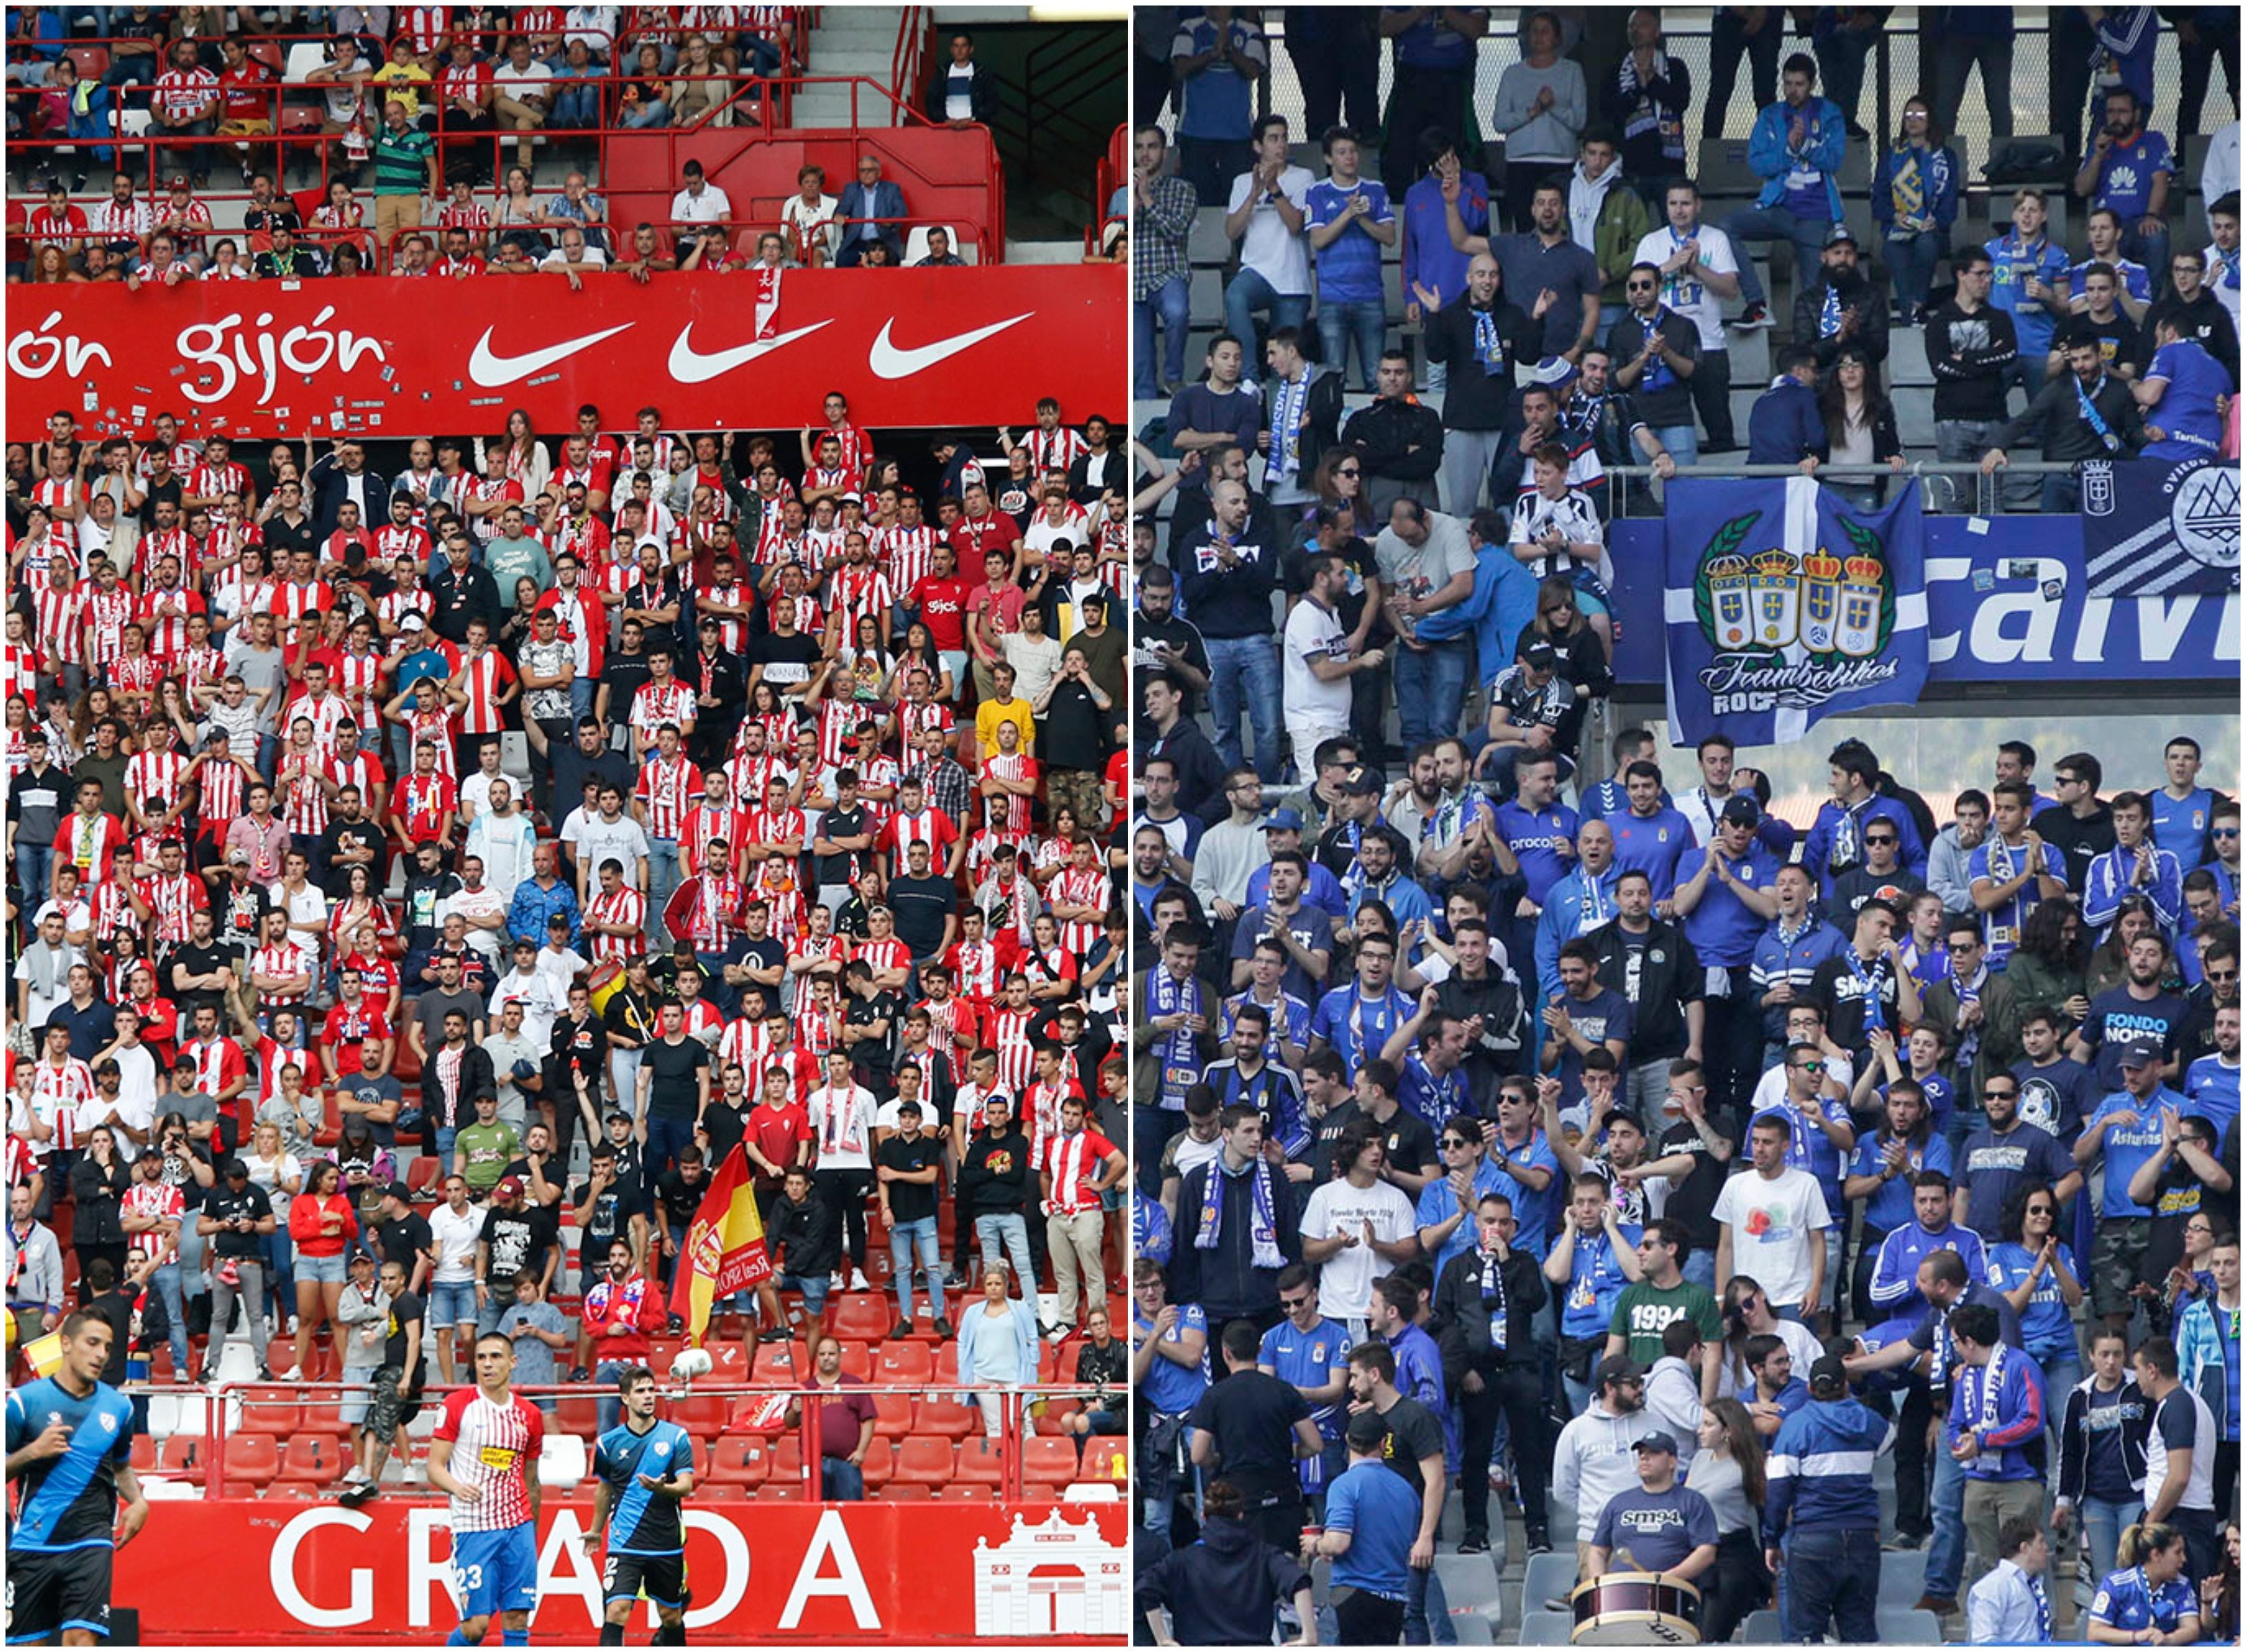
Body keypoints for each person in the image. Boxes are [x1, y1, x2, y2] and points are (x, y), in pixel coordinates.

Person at [3, 1313, 149, 1648]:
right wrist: (32, 1452)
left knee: (82, 1637)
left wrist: (139, 1501)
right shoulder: (25, 1403)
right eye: (93, 1343)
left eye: (108, 1347)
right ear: (66, 1344)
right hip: (32, 1543)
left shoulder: (120, 1408)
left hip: (91, 1540)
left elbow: (121, 1466)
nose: (101, 1354)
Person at [1433, 1190, 1551, 1554]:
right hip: (1478, 1373)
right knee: (1477, 1453)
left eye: (1503, 1223)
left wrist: (1506, 1266)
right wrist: (1463, 1369)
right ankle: (1475, 1530)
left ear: (1513, 1228)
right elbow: (1444, 1321)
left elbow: (1535, 1301)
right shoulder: (1457, 1266)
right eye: (1489, 1222)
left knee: (1529, 1452)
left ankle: (1537, 1529)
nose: (1496, 1229)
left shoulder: (1525, 1263)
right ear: (1477, 1223)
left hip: (1519, 1368)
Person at [427, 1332, 544, 1649]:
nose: (487, 1364)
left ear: (512, 1362)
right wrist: (457, 1487)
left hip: (517, 1526)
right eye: (481, 1358)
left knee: (518, 1618)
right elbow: (434, 1466)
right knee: (476, 1626)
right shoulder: (458, 1405)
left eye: (495, 1357)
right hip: (474, 1528)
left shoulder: (530, 1415)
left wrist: (533, 1533)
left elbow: (531, 1479)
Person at [1764, 1353, 1891, 1644]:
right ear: (1846, 1385)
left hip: (1813, 1538)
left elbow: (1778, 1490)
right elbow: (1888, 1440)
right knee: (1860, 1635)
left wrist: (1772, 1539)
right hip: (1863, 1538)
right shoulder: (1869, 1420)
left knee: (1807, 1637)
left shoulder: (1795, 1425)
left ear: (1809, 1389)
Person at [1721, 55, 1848, 329]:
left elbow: (1835, 161)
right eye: (1788, 83)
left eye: (1799, 84)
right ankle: (1756, 304)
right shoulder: (1770, 116)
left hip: (1817, 214)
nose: (1793, 90)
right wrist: (1789, 148)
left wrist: (1806, 146)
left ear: (1812, 84)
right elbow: (1757, 164)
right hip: (1778, 207)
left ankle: (1807, 357)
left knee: (1812, 294)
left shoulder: (1830, 113)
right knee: (1726, 228)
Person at [1946, 1301, 2049, 1601]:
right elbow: (1955, 1423)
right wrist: (1960, 1444)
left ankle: (2036, 1629)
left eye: (1955, 1341)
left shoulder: (2021, 1365)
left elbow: (2031, 1420)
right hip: (1979, 1479)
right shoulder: (1965, 1375)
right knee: (1993, 1567)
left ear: (1969, 1342)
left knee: (2025, 1564)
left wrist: (1985, 1440)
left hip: (2020, 1479)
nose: (1954, 1348)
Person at [1135, 1477, 1316, 1647]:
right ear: (1240, 1515)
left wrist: (1162, 1639)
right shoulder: (1264, 1555)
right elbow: (1299, 1581)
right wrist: (1309, 1636)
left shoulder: (1181, 1560)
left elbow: (1146, 1587)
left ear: (1203, 1516)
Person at [586, 1365, 694, 1648]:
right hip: (624, 1542)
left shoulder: (676, 1437)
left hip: (666, 1542)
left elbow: (686, 1485)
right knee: (616, 1610)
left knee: (671, 1615)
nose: (648, 1397)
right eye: (640, 1391)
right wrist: (596, 1531)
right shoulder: (608, 1444)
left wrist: (663, 1489)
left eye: (651, 1390)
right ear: (625, 1399)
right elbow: (604, 1489)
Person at [1307, 1407, 1420, 1644]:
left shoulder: (1344, 1486)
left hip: (1352, 1596)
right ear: (1382, 1444)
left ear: (1348, 1440)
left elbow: (1338, 1543)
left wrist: (1317, 1544)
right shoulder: (1406, 1490)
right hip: (1394, 1601)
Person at [1552, 1354, 1658, 1583]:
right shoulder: (1576, 1430)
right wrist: (1597, 1515)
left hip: (1649, 1537)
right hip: (1595, 1540)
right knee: (1599, 1615)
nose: (1640, 1389)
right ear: (1610, 1388)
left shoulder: (1655, 1423)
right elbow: (1563, 1490)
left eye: (1641, 1382)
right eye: (1633, 1384)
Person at [2087, 1521, 2203, 1644]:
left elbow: (2192, 1629)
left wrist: (2168, 1640)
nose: (2184, 1559)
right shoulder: (2116, 1584)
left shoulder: (2182, 1585)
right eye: (2178, 1552)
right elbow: (2095, 1631)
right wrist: (2137, 1636)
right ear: (2156, 1555)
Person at [1968, 1514, 2057, 1645]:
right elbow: (1984, 1641)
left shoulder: (2034, 1585)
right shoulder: (1993, 1586)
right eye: (2041, 1542)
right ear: (2025, 1548)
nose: (2046, 1547)